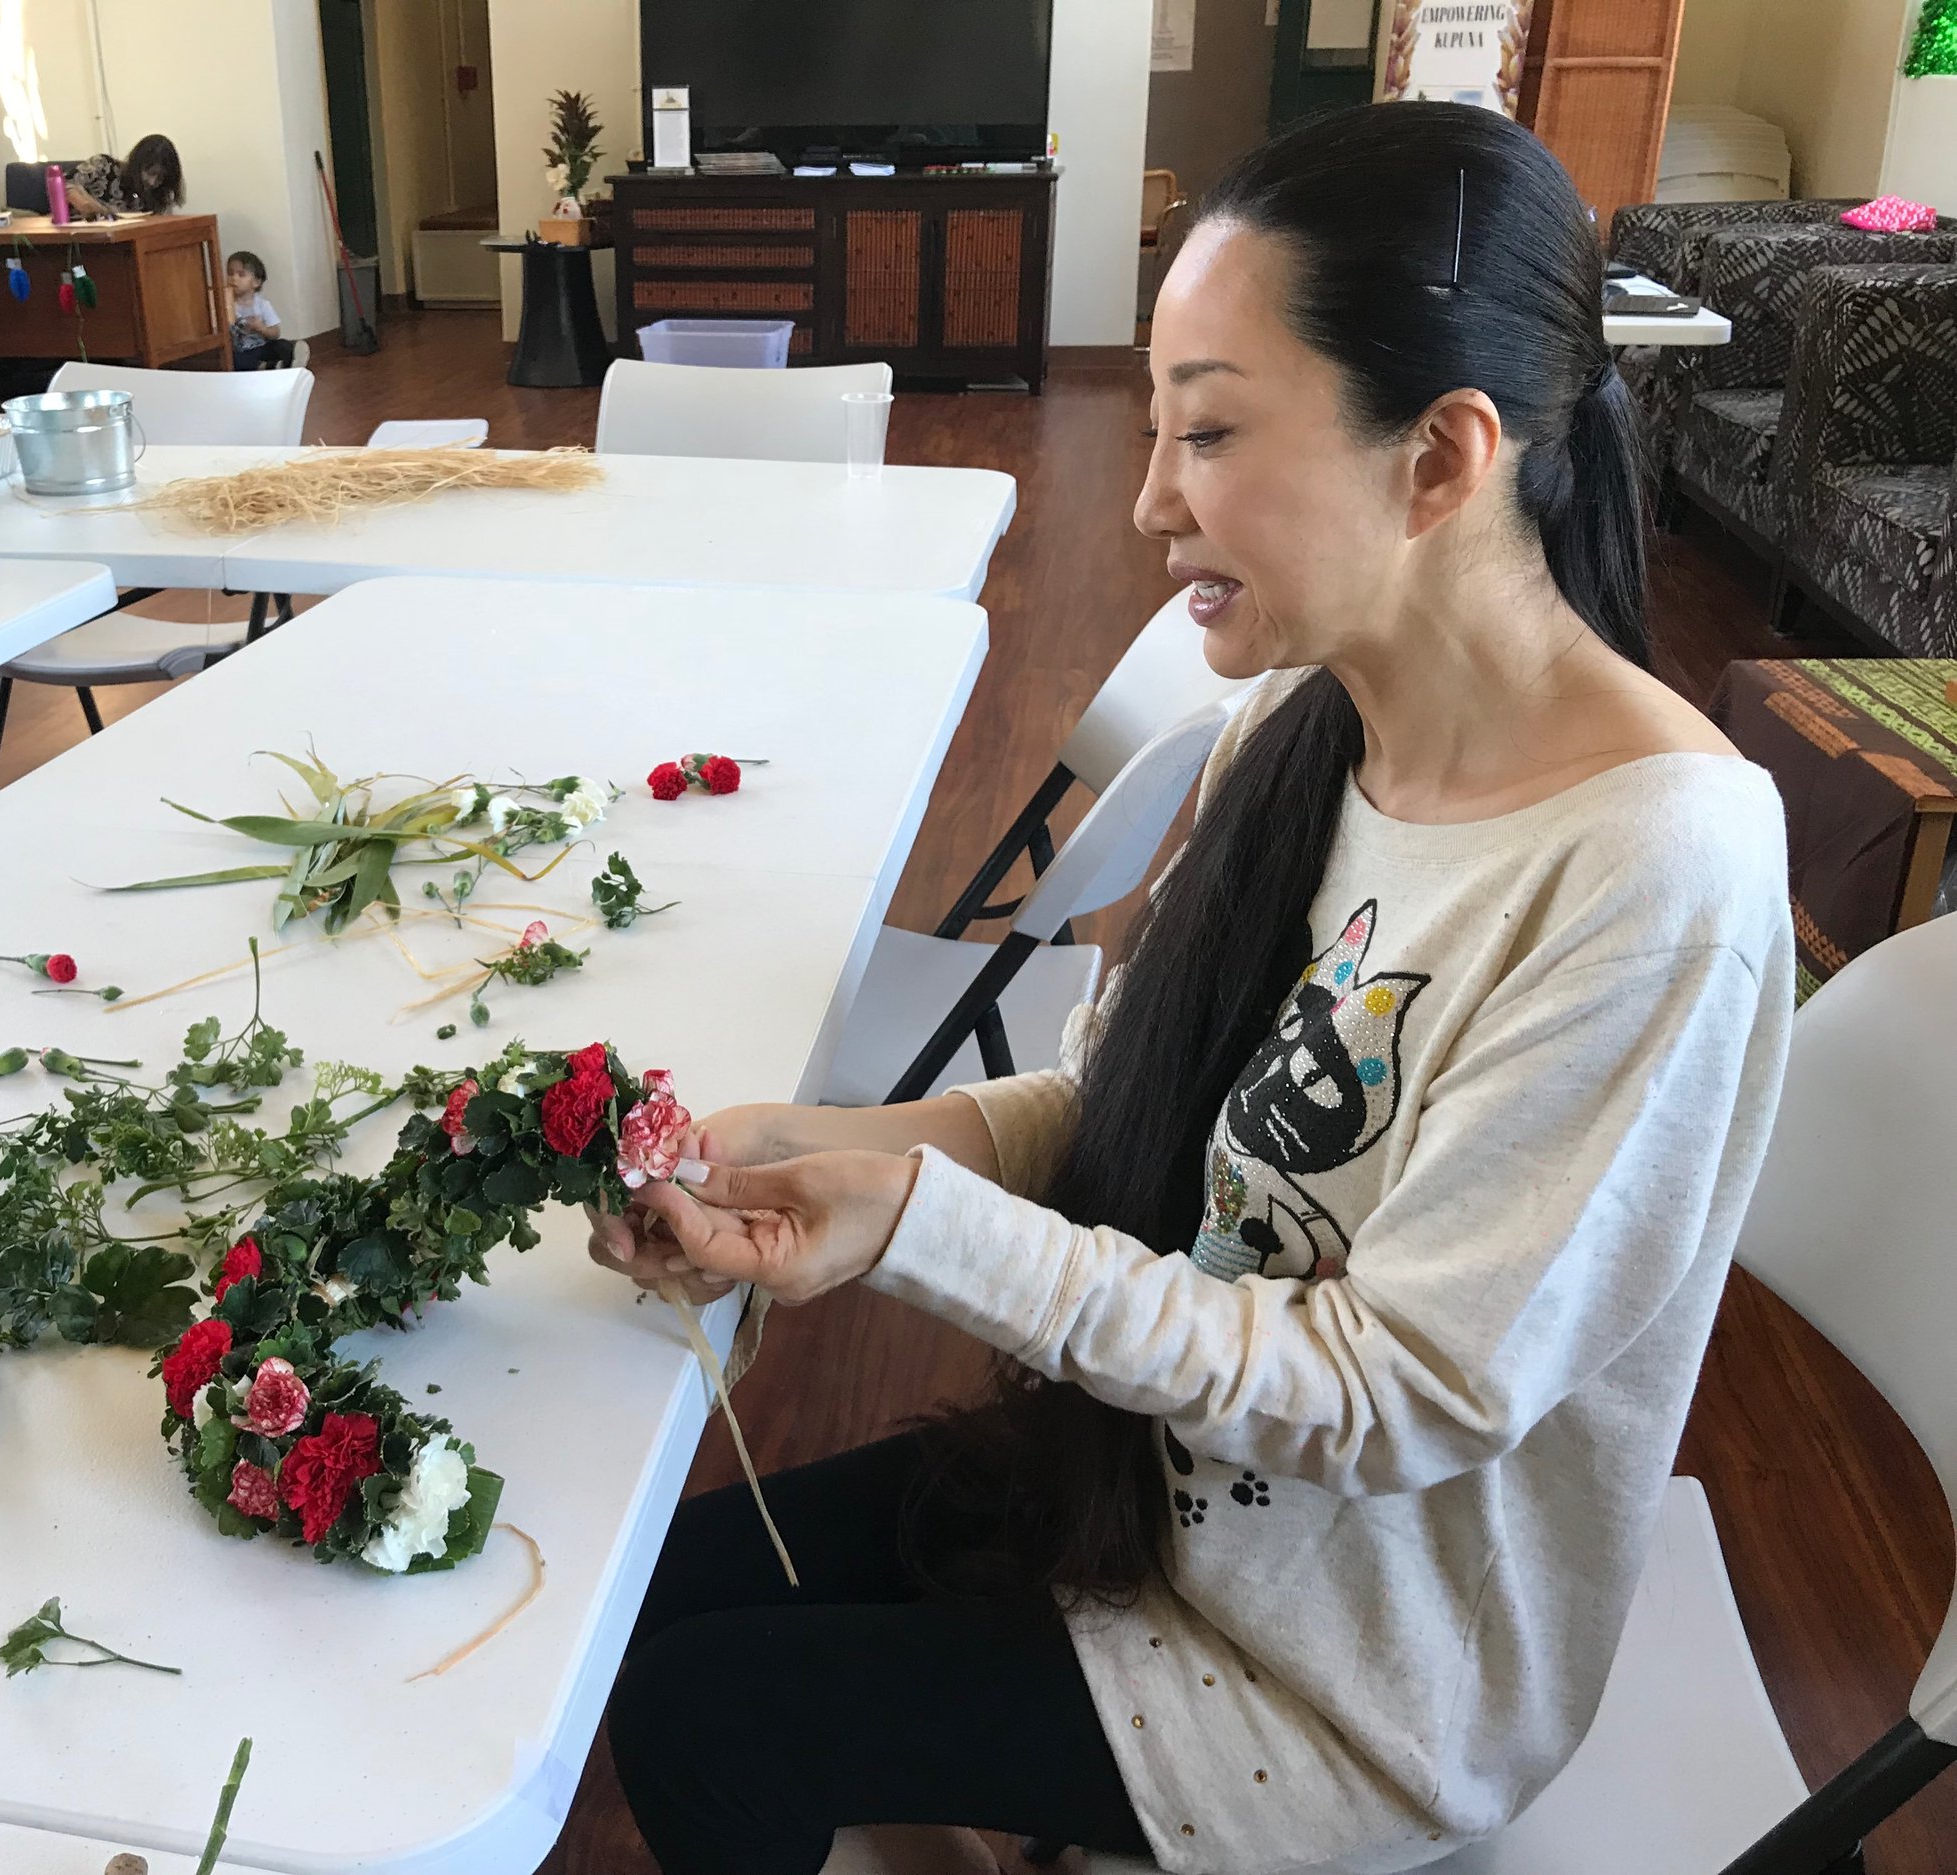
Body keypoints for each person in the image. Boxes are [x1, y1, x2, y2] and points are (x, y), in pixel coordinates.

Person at [590, 101, 1792, 1875]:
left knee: (711, 1721)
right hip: (1163, 1497)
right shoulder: (1297, 737)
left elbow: (1391, 1401)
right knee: (664, 1597)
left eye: (1210, 431)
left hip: (1347, 1674)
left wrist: (915, 1221)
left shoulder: (1653, 873)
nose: (1150, 499)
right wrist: (820, 1145)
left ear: (1443, 458)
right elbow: (1132, 1095)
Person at [63, 134, 184, 218]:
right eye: (150, 173)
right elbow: (63, 185)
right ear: (138, 163)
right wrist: (88, 205)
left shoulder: (160, 194)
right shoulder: (103, 165)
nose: (152, 182)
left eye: (161, 178)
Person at [226, 249, 299, 372]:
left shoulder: (262, 304)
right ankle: (266, 367)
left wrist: (262, 328)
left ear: (256, 282)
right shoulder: (227, 304)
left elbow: (275, 333)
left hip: (262, 347)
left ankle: (288, 360)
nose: (234, 278)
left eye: (241, 274)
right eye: (230, 273)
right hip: (242, 351)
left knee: (282, 345)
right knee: (233, 359)